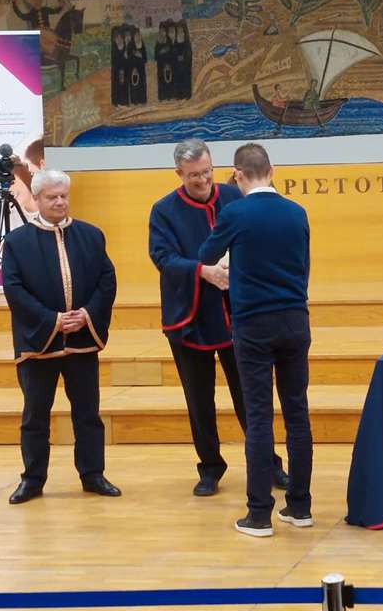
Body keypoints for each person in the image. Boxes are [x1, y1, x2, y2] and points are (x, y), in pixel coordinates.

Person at [149, 139, 287, 497]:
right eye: (194, 175)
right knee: (199, 401)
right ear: (179, 174)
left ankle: (268, 464)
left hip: (237, 313)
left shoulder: (234, 197)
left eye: (207, 172)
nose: (203, 180)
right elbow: (163, 258)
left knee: (251, 397)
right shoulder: (163, 210)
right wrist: (202, 271)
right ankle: (210, 467)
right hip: (190, 316)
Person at [199, 143, 312, 538]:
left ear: (237, 175)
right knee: (297, 413)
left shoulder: (235, 213)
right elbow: (302, 265)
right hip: (295, 318)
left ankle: (259, 513)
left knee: (260, 415)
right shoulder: (297, 212)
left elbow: (207, 254)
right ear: (272, 171)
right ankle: (300, 506)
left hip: (253, 323)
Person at [1, 169, 121, 504]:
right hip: (39, 343)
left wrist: (86, 314)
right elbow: (14, 289)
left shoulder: (91, 235)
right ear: (37, 199)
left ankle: (93, 474)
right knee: (35, 416)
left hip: (82, 339)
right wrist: (52, 320)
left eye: (63, 196)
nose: (59, 202)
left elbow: (107, 280)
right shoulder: (17, 242)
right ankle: (32, 479)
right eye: (52, 197)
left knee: (88, 413)